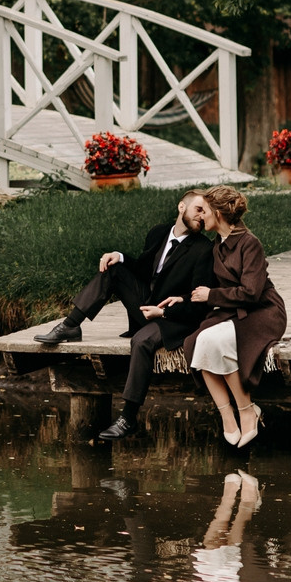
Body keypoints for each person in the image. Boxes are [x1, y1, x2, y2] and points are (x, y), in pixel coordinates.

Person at [32, 189, 217, 441]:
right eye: (198, 209)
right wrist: (118, 256)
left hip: (173, 318)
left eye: (206, 213)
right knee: (114, 269)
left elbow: (198, 301)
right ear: (181, 208)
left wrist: (164, 310)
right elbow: (143, 270)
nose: (202, 217)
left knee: (141, 341)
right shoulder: (159, 232)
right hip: (146, 307)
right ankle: (71, 325)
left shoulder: (203, 249)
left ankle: (128, 417)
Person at [182, 184, 287, 448]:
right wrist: (182, 300)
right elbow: (205, 286)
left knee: (220, 342)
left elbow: (251, 293)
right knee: (200, 342)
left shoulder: (249, 243)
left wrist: (212, 296)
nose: (200, 216)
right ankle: (227, 416)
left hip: (264, 312)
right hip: (234, 311)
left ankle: (247, 410)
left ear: (217, 213)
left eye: (204, 210)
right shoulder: (218, 244)